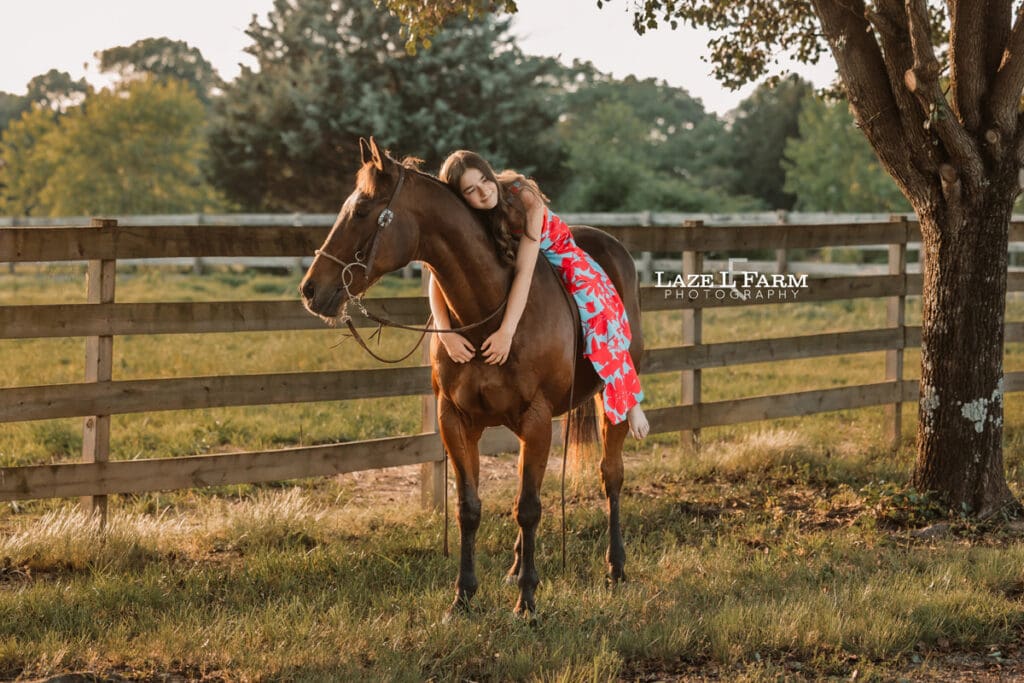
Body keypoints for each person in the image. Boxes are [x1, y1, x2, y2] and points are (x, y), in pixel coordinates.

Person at [430, 150, 649, 440]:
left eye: (485, 180)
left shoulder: (523, 195)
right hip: (509, 255)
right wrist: (444, 332)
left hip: (559, 254)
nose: (484, 192)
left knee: (601, 312)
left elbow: (525, 271)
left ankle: (628, 399)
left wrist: (507, 332)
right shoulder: (466, 218)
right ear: (461, 197)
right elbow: (439, 274)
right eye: (471, 189)